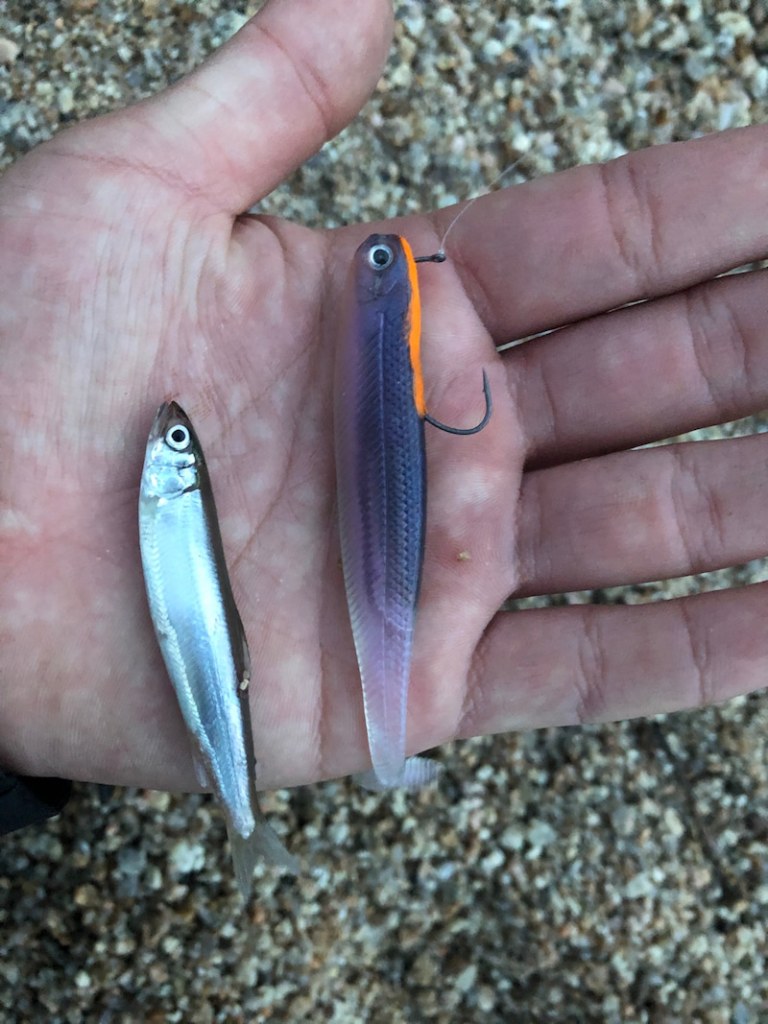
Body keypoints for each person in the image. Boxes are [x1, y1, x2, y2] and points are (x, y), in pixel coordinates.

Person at [2, 0, 767, 829]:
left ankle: (385, 744)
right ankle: (380, 747)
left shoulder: (383, 317)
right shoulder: (363, 318)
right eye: (381, 262)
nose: (379, 263)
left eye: (380, 264)